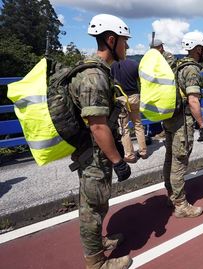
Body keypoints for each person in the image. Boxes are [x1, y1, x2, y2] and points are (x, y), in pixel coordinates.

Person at [71, 14, 132, 268]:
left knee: (98, 202)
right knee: (92, 209)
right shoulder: (94, 77)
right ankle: (96, 263)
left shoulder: (99, 72)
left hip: (97, 153)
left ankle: (100, 242)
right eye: (124, 42)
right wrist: (118, 161)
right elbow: (97, 125)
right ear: (111, 40)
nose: (127, 47)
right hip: (94, 155)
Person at [163, 31, 203, 218]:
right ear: (198, 49)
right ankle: (181, 205)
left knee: (170, 158)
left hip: (170, 118)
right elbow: (193, 100)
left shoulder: (177, 65)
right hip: (183, 121)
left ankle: (171, 196)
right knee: (179, 162)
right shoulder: (192, 69)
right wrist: (201, 124)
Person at [111, 59, 148, 163]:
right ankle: (143, 152)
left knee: (124, 128)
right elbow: (140, 80)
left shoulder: (113, 65)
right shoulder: (134, 63)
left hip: (121, 99)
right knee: (138, 125)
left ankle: (130, 155)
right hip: (135, 97)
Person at [148, 37, 177, 140]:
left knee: (168, 111)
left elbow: (164, 69)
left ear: (160, 47)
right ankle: (159, 130)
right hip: (159, 88)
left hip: (168, 88)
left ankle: (166, 131)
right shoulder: (154, 58)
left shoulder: (168, 56)